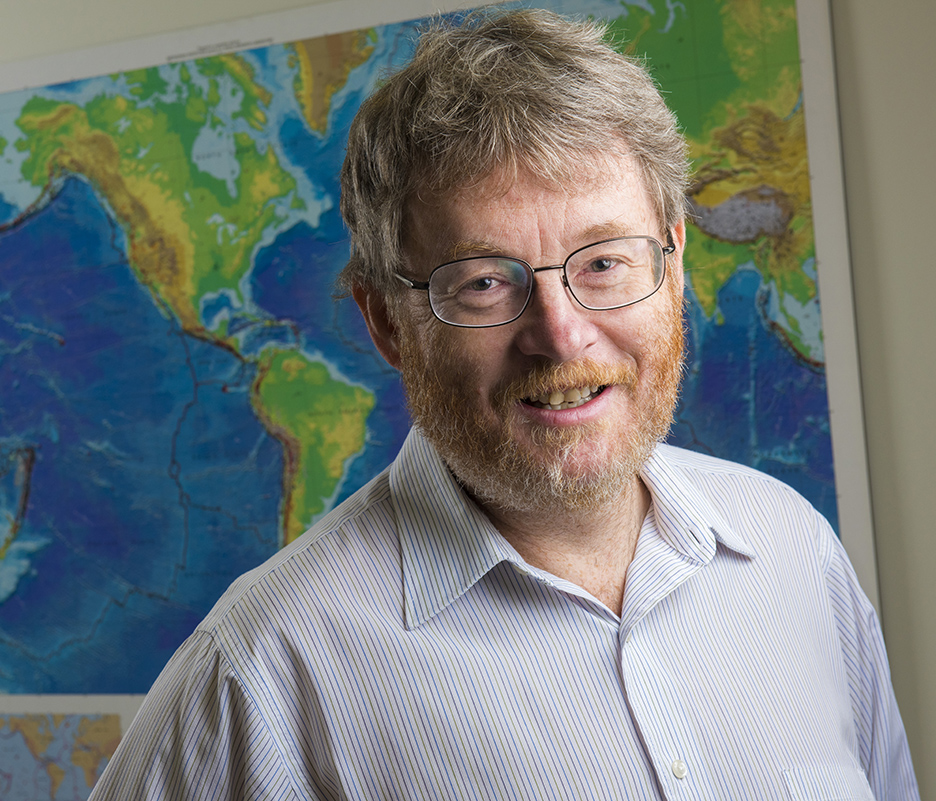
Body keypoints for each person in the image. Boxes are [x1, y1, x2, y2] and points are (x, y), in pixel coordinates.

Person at [89, 9, 918, 799]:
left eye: (603, 262)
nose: (561, 338)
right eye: (485, 282)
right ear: (386, 321)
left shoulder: (794, 551)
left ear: (673, 257)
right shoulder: (264, 674)